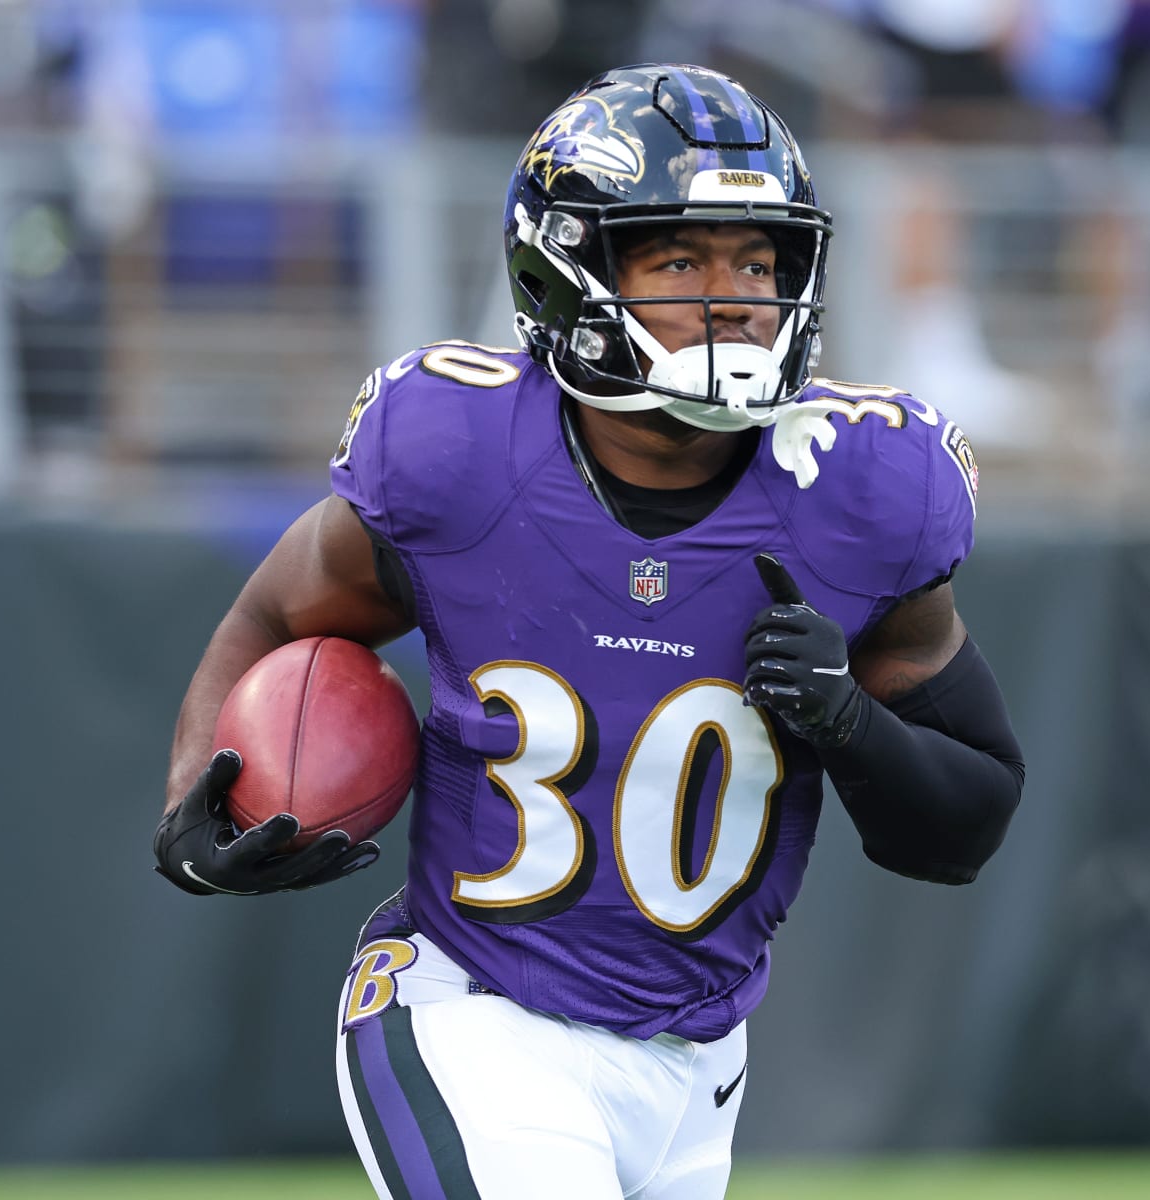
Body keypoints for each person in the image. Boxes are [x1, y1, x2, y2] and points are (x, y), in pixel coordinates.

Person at [152, 63, 1025, 1198]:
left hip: (699, 1068)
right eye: (679, 260)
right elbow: (272, 615)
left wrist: (848, 720)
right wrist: (190, 798)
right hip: (473, 1012)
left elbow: (961, 829)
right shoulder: (453, 458)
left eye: (757, 260)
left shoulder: (861, 493)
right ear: (565, 270)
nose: (737, 299)